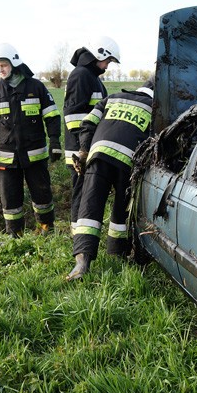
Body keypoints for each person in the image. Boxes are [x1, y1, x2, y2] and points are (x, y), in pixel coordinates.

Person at [66, 78, 155, 281]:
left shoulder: (112, 98)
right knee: (121, 209)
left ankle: (81, 264)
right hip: (129, 163)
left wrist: (84, 151)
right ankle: (117, 253)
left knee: (89, 208)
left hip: (99, 156)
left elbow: (87, 123)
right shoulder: (155, 109)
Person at [0, 43, 62, 237]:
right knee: (10, 201)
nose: (0, 69)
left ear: (14, 64)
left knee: (42, 197)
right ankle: (15, 237)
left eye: (3, 65)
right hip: (7, 160)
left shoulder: (36, 87)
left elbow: (52, 116)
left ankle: (46, 231)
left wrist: (55, 142)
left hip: (35, 157)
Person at [63, 36, 121, 247]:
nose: (107, 66)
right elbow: (73, 114)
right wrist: (83, 148)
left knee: (84, 190)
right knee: (80, 191)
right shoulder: (81, 75)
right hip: (79, 149)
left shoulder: (92, 77)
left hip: (87, 146)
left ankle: (79, 233)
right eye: (108, 61)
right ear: (99, 54)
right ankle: (76, 235)